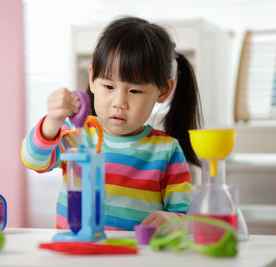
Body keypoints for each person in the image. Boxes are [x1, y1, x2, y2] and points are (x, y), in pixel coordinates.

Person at [21, 16, 202, 230]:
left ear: (163, 91)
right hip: (78, 254)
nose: (119, 103)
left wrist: (173, 219)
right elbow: (33, 160)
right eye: (108, 86)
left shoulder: (166, 150)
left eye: (134, 91)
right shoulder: (78, 135)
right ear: (92, 79)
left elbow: (184, 215)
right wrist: (52, 122)